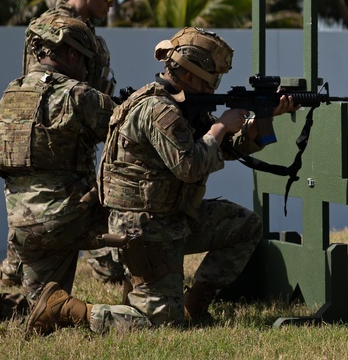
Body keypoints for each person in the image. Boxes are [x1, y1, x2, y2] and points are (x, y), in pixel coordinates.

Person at [25, 27, 297, 335]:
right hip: (144, 231)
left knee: (244, 226)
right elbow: (190, 166)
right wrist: (220, 127)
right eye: (211, 79)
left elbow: (222, 147)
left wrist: (255, 123)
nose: (213, 87)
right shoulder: (159, 109)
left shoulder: (179, 104)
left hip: (169, 218)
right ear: (191, 76)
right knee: (159, 325)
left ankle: (193, 306)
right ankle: (64, 308)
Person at [0, 17, 117, 325]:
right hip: (68, 220)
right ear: (73, 55)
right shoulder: (79, 95)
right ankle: (152, 298)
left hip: (23, 228)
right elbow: (131, 134)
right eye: (86, 61)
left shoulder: (12, 91)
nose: (88, 69)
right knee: (145, 215)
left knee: (41, 309)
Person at [0, 0, 121, 288]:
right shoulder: (50, 27)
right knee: (50, 200)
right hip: (58, 132)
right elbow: (40, 85)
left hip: (82, 127)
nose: (111, 3)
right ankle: (15, 273)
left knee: (67, 201)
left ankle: (16, 276)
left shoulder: (90, 32)